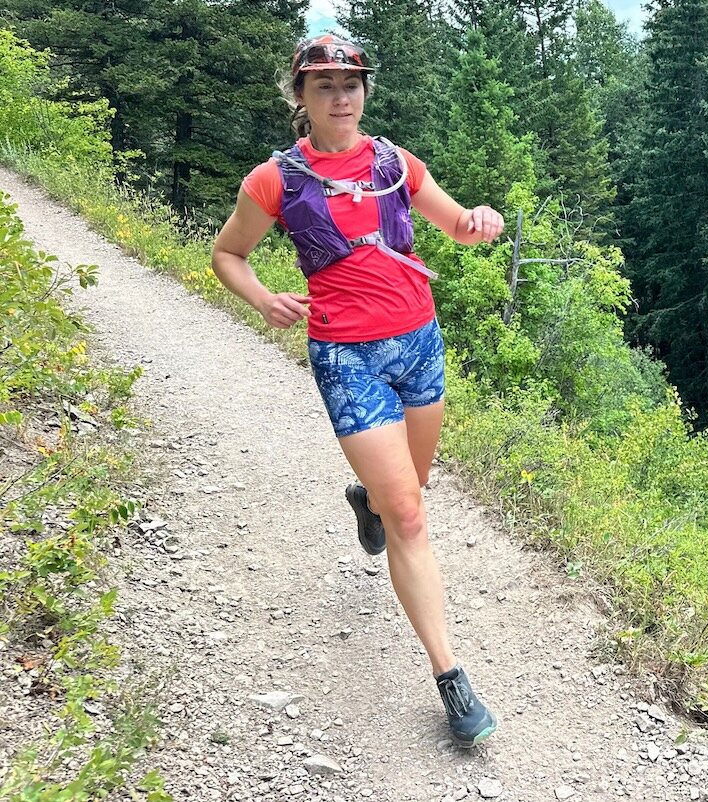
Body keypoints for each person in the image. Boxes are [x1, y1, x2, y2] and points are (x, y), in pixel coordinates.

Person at [210, 33, 501, 747]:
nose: (341, 96)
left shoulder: (395, 164)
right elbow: (227, 253)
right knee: (409, 516)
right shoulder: (274, 180)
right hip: (345, 355)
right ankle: (450, 676)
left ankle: (364, 502)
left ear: (364, 90)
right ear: (300, 98)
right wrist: (261, 300)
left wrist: (480, 223)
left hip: (419, 343)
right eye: (324, 85)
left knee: (412, 488)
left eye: (351, 83)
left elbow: (456, 226)